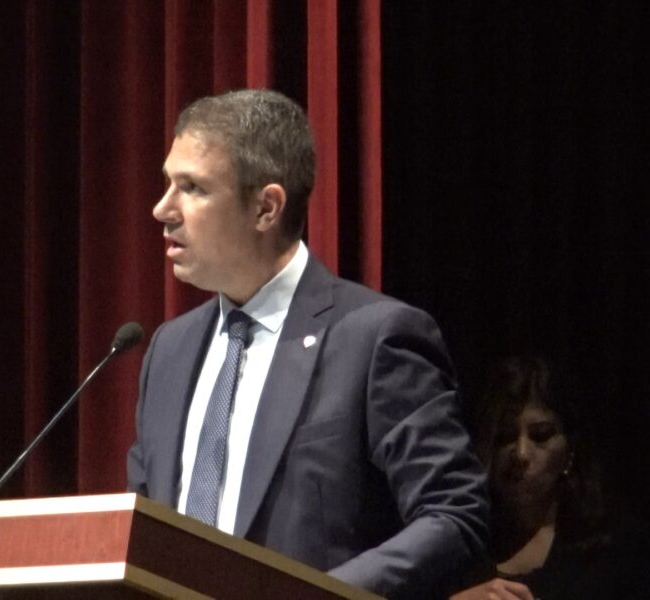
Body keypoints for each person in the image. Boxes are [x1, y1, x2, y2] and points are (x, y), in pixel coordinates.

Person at [126, 89, 489, 599]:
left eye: (192, 188)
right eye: (168, 183)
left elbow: (454, 515)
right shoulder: (169, 351)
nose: (162, 208)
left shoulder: (374, 338)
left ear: (266, 208)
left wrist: (312, 595)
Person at [453, 356, 650, 600]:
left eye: (541, 435)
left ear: (570, 448)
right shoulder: (456, 543)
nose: (521, 454)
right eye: (505, 436)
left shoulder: (617, 549)